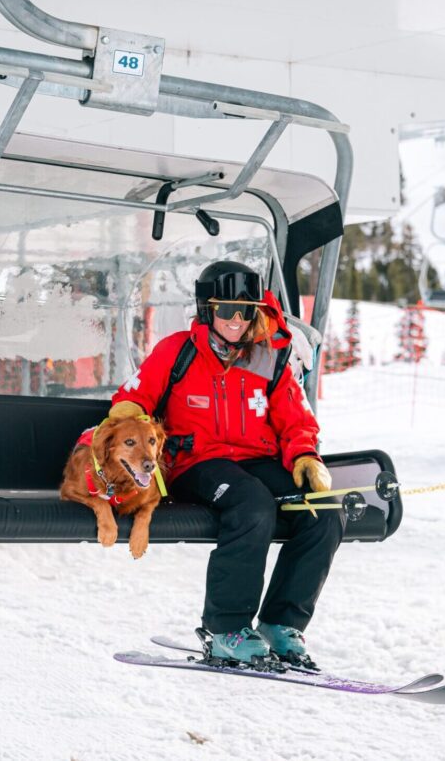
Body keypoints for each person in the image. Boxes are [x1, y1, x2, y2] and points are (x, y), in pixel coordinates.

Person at [109, 260, 339, 666]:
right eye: (227, 309)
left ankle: (280, 624)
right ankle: (226, 629)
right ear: (207, 309)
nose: (236, 320)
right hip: (196, 462)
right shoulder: (179, 351)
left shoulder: (269, 357)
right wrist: (132, 420)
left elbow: (296, 418)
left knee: (323, 511)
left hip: (256, 458)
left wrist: (304, 455)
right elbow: (134, 398)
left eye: (246, 310)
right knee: (252, 504)